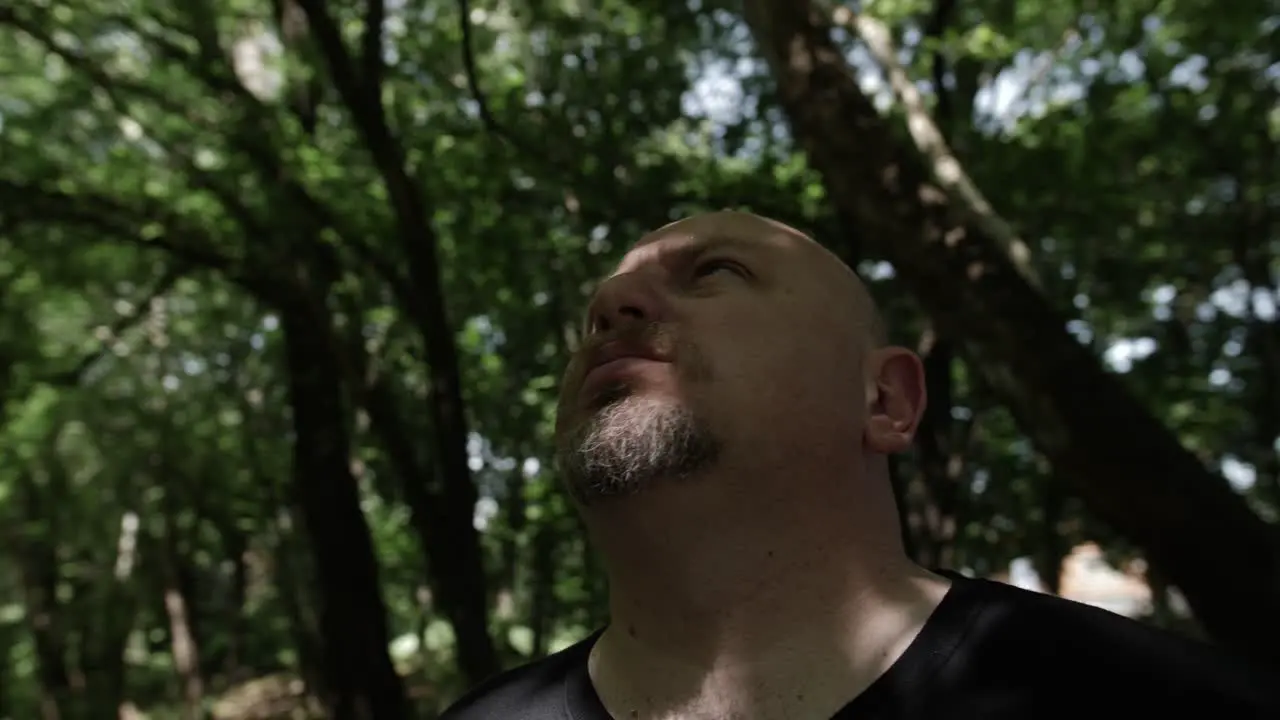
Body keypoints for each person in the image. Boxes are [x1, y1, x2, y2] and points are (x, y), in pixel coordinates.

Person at [441, 211, 1279, 719]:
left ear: (885, 400)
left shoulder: (1154, 705)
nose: (613, 309)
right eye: (595, 317)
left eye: (715, 272)